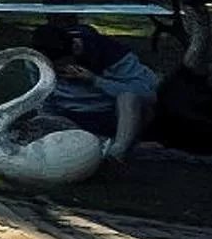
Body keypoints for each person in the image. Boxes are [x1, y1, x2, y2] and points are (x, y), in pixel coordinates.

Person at [31, 21, 161, 161]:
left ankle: (117, 152)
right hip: (72, 118)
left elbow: (148, 93)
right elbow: (44, 98)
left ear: (74, 48)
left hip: (115, 115)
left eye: (63, 65)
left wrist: (95, 81)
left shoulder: (111, 53)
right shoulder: (38, 63)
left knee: (128, 97)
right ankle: (106, 145)